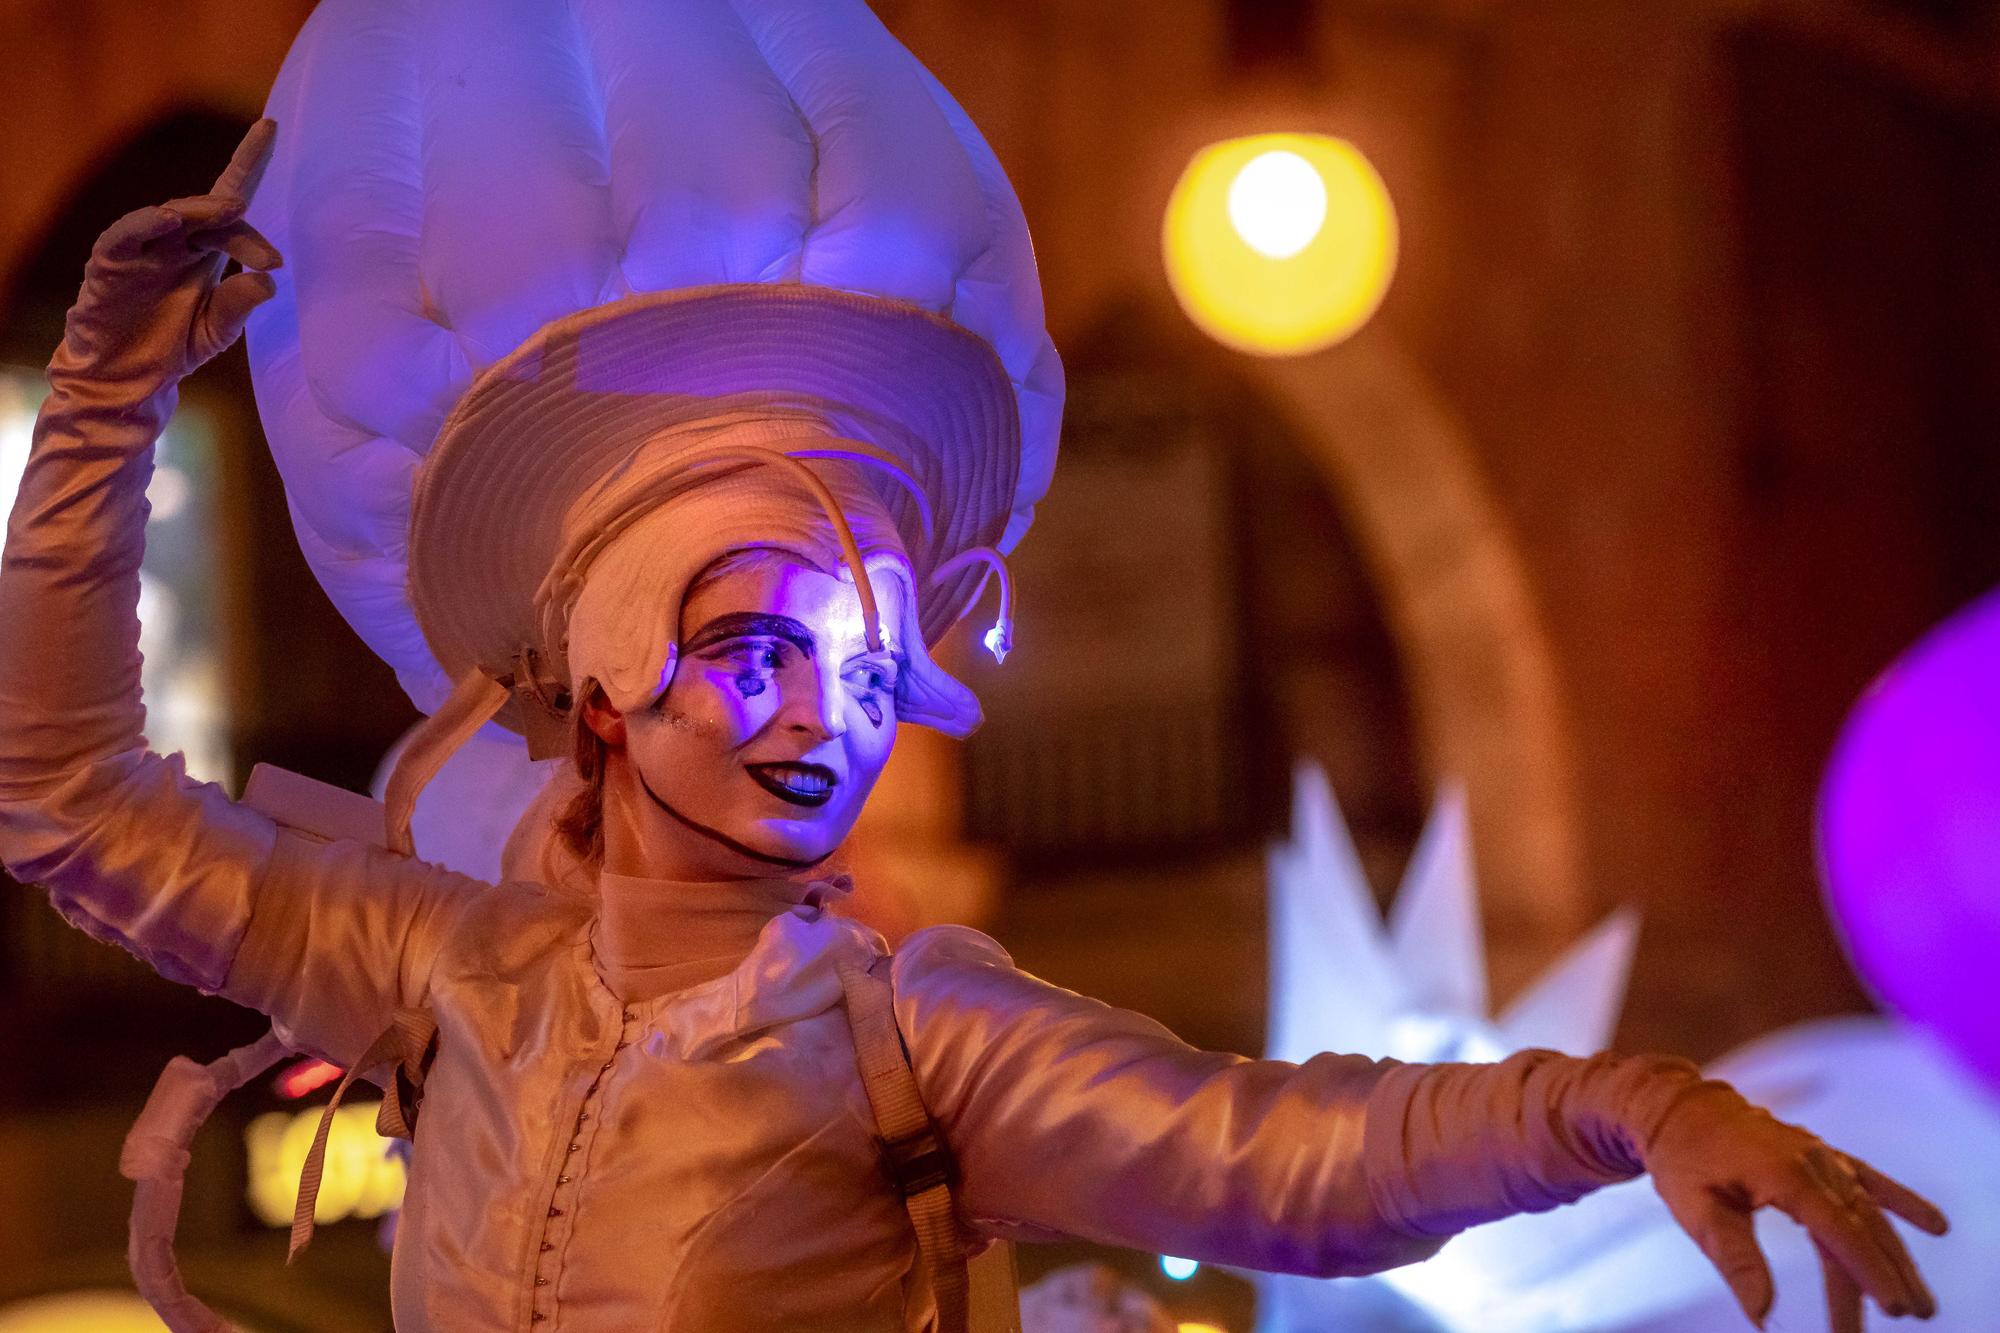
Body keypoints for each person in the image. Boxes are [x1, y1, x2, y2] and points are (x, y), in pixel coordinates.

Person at [0, 123, 1949, 1333]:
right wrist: (101, 410)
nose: (817, 712)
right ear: (602, 684)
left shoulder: (910, 1032)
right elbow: (67, 802)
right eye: (757, 643)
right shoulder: (445, 972)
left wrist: (1622, 1107)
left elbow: (1287, 1155)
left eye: (863, 664)